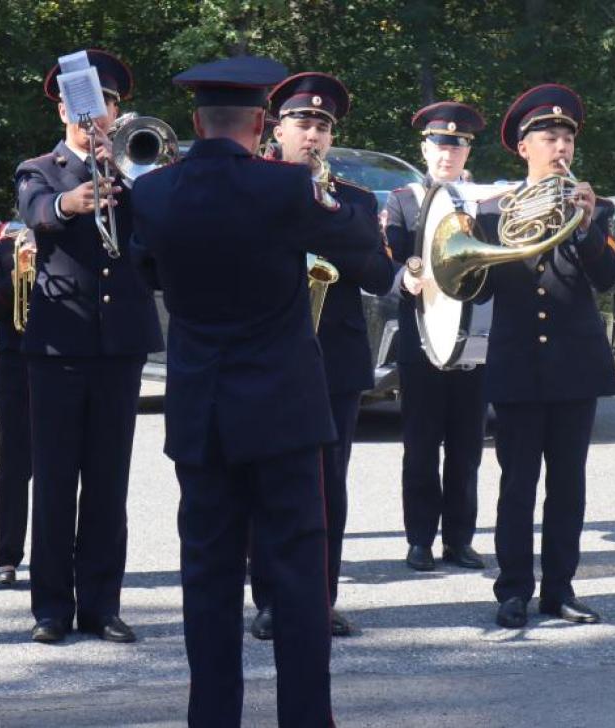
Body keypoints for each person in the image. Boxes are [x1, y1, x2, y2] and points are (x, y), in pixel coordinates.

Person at [130, 55, 392, 728]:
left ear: (195, 122)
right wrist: (320, 193)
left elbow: (148, 273)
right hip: (284, 411)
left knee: (208, 580)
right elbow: (364, 253)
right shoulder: (287, 189)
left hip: (202, 410)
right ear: (258, 122)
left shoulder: (154, 193)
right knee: (300, 582)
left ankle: (211, 718)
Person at [15, 49, 163, 645]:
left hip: (119, 344)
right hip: (60, 343)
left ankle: (102, 604)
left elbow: (156, 237)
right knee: (53, 480)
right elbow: (34, 210)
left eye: (102, 105)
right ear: (62, 109)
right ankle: (50, 607)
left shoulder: (138, 170)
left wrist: (125, 174)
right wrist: (67, 201)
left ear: (116, 111)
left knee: (109, 480)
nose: (91, 116)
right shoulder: (40, 168)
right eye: (80, 106)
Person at [248, 72, 394, 641]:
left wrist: (333, 216)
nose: (312, 134)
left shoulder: (353, 199)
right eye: (302, 123)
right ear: (275, 128)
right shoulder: (255, 188)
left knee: (329, 484)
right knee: (268, 482)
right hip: (268, 356)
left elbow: (380, 276)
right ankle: (269, 600)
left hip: (334, 361)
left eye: (322, 126)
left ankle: (319, 599)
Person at [473, 84, 615, 629]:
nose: (560, 147)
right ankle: (512, 590)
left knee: (568, 485)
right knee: (517, 485)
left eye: (566, 138)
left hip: (574, 365)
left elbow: (607, 278)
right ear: (523, 147)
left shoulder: (595, 208)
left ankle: (559, 589)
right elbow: (479, 290)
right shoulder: (493, 212)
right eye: (548, 137)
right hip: (516, 363)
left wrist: (585, 227)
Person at [384, 102, 488, 572]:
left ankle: (460, 539)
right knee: (421, 446)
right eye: (440, 144)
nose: (448, 153)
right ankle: (420, 539)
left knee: (467, 447)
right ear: (425, 148)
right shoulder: (402, 200)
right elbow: (388, 257)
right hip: (422, 334)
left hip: (474, 338)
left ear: (468, 151)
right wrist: (403, 276)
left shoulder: (485, 200)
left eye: (458, 145)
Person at [0, 225, 34, 588]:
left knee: (63, 468)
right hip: (16, 369)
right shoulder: (5, 248)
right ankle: (7, 556)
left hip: (66, 365)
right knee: (14, 465)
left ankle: (59, 556)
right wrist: (16, 275)